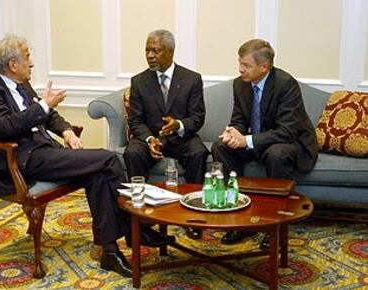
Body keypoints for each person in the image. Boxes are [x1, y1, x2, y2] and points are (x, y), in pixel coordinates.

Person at [0, 35, 166, 278]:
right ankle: (133, 227)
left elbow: (49, 116)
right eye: (28, 58)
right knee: (108, 159)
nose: (32, 64)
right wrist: (43, 106)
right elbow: (5, 127)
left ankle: (109, 251)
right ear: (13, 64)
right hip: (21, 160)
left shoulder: (23, 86)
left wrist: (65, 130)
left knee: (98, 173)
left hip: (46, 152)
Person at [211, 39, 318, 247]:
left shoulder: (286, 84)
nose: (240, 69)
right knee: (220, 147)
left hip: (292, 143)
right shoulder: (239, 84)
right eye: (239, 63)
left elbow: (286, 131)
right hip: (263, 140)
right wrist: (233, 133)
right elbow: (239, 120)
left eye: (246, 65)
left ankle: (275, 225)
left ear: (264, 67)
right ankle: (239, 219)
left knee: (276, 153)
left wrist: (247, 140)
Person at [123, 29, 209, 240]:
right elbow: (135, 121)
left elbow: (197, 117)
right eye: (147, 50)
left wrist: (178, 124)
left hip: (181, 138)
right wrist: (151, 139)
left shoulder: (191, 79)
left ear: (170, 52)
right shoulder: (139, 81)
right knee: (132, 153)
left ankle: (193, 215)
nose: (150, 55)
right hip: (150, 138)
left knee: (198, 152)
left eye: (156, 50)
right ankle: (140, 218)